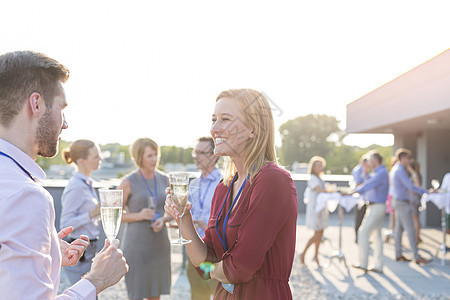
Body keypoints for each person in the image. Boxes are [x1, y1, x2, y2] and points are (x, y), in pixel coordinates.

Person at [0, 50, 128, 299]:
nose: (65, 123)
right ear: (36, 104)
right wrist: (96, 280)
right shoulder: (26, 196)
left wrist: (47, 256)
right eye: (62, 107)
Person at [165, 89, 298, 299]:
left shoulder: (273, 180)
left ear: (252, 129)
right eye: (213, 119)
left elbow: (240, 268)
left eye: (225, 119)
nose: (214, 129)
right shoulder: (224, 187)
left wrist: (219, 270)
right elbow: (204, 261)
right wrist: (183, 216)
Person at [119, 137, 172, 300]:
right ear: (138, 156)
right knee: (136, 292)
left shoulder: (165, 179)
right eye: (150, 155)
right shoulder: (127, 182)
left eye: (156, 154)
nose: (154, 159)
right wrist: (139, 215)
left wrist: (163, 220)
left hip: (160, 242)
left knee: (155, 292)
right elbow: (116, 216)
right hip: (137, 245)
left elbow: (174, 211)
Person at [60, 140, 102, 284]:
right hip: (79, 253)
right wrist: (91, 214)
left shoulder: (87, 183)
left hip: (89, 250)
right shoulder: (76, 187)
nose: (100, 159)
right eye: (96, 157)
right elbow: (65, 224)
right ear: (82, 161)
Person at [187, 136, 222, 300]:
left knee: (219, 295)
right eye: (196, 152)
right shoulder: (193, 183)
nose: (196, 156)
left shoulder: (225, 183)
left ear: (215, 155)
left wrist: (207, 224)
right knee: (197, 296)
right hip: (194, 249)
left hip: (216, 251)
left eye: (201, 152)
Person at [350, 151, 389, 273]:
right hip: (373, 206)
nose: (368, 163)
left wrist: (354, 191)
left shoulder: (382, 172)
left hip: (377, 207)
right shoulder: (378, 172)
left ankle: (363, 263)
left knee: (362, 233)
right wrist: (365, 172)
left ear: (376, 161)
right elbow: (369, 180)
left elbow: (369, 184)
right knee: (376, 237)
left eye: (370, 160)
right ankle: (378, 265)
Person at [390, 148, 430, 264]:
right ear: (402, 158)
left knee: (399, 230)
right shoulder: (399, 170)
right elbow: (410, 187)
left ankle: (398, 254)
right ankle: (417, 257)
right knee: (411, 229)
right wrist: (426, 192)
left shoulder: (396, 169)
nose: (409, 160)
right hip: (402, 202)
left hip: (398, 201)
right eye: (408, 158)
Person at [300, 156, 329, 267]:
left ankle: (316, 255)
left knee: (320, 233)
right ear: (313, 167)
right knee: (317, 234)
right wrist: (332, 191)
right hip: (315, 210)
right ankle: (303, 253)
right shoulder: (312, 178)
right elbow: (319, 190)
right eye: (318, 165)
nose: (321, 167)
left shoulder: (320, 178)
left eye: (321, 165)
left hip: (321, 209)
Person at [352, 155, 369, 243]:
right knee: (359, 218)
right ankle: (358, 238)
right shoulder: (359, 170)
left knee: (362, 218)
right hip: (359, 198)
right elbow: (357, 184)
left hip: (363, 198)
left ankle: (361, 237)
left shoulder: (361, 169)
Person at [407, 160, 422, 244]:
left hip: (414, 199)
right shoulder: (416, 175)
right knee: (415, 219)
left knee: (415, 220)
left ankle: (416, 238)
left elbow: (417, 187)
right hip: (414, 199)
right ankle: (417, 237)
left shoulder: (415, 175)